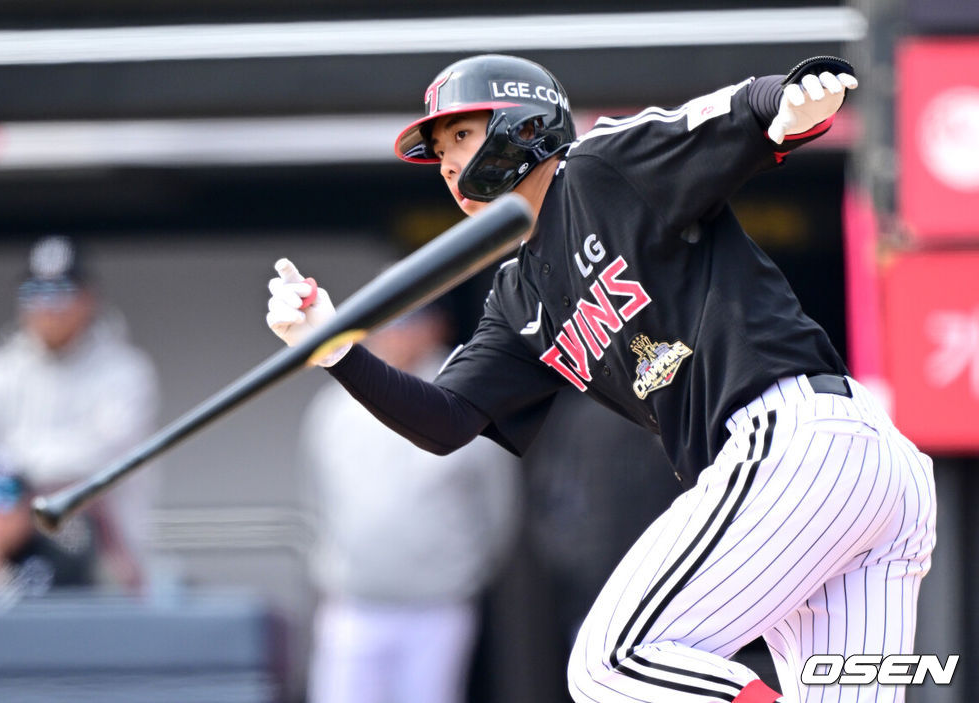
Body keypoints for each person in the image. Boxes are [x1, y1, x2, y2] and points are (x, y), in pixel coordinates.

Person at [265, 55, 936, 703]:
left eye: (460, 136)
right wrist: (335, 350)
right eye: (438, 153)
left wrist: (787, 104)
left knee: (610, 663)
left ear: (521, 124)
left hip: (795, 440)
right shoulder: (518, 297)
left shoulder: (600, 168)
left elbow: (730, 115)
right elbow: (445, 421)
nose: (445, 163)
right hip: (843, 473)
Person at [297, 306, 521, 703]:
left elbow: (499, 508)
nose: (392, 334)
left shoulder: (469, 394)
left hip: (437, 605)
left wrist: (464, 576)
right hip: (353, 601)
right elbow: (315, 500)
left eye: (406, 323)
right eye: (383, 324)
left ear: (435, 327)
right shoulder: (334, 404)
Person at [0, 235, 159, 594]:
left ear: (88, 298)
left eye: (62, 291)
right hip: (7, 544)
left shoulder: (125, 372)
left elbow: (99, 464)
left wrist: (21, 478)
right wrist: (9, 494)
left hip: (106, 555)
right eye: (36, 292)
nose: (49, 306)